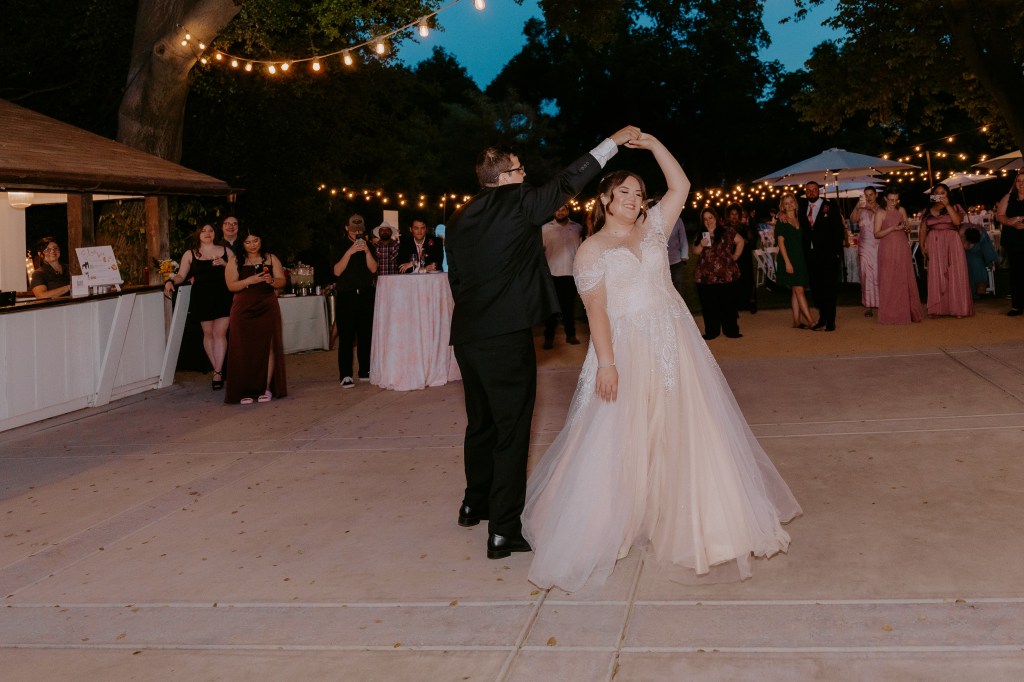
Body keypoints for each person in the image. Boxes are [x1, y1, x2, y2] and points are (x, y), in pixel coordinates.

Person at [522, 134, 800, 592]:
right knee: (620, 435)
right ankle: (611, 522)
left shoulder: (653, 228)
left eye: (638, 193)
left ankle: (692, 519)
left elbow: (682, 184)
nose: (633, 199)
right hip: (623, 348)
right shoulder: (591, 249)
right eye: (624, 192)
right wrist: (607, 364)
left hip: (674, 344)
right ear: (606, 199)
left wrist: (651, 144)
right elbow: (596, 313)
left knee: (683, 428)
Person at [446, 125, 641, 561]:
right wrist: (610, 143)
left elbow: (455, 278)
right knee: (512, 430)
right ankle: (503, 530)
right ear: (504, 176)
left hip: (467, 336)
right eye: (519, 168)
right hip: (504, 336)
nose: (525, 173)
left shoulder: (458, 216)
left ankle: (473, 503)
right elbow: (568, 180)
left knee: (480, 422)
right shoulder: (517, 201)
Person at [163, 223, 234, 389]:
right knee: (208, 334)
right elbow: (181, 275)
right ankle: (218, 367)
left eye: (210, 230)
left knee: (220, 333)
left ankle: (217, 372)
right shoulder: (190, 253)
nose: (208, 233)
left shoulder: (226, 251)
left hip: (223, 295)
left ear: (215, 233)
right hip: (202, 297)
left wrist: (225, 264)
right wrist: (170, 281)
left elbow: (237, 272)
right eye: (204, 230)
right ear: (198, 234)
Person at [224, 229, 287, 404]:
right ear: (242, 243)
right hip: (243, 308)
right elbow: (231, 286)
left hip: (267, 305)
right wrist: (249, 281)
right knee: (243, 348)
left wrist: (272, 281)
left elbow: (282, 280)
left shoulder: (271, 258)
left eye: (256, 240)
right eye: (248, 242)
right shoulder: (235, 260)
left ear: (261, 240)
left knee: (268, 346)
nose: (252, 245)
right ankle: (245, 390)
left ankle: (265, 388)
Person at [334, 214, 377, 388]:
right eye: (353, 230)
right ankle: (345, 374)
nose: (356, 233)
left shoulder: (369, 246)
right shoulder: (338, 246)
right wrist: (350, 251)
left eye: (359, 230)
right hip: (347, 295)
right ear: (346, 228)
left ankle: (365, 369)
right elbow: (337, 271)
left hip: (366, 294)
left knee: (365, 335)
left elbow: (373, 268)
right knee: (346, 337)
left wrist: (366, 251)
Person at [919, 183, 973, 318]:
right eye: (937, 192)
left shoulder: (955, 207)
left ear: (947, 194)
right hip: (934, 242)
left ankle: (958, 308)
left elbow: (956, 222)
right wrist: (922, 245)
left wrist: (948, 205)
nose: (940, 195)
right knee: (936, 273)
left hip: (952, 242)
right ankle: (938, 308)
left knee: (954, 272)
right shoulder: (927, 210)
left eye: (943, 192)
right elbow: (923, 229)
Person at [691, 207, 744, 340]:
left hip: (726, 276)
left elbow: (740, 241)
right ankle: (712, 331)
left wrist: (736, 255)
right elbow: (695, 251)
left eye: (711, 218)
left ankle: (731, 330)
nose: (708, 221)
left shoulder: (727, 231)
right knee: (709, 306)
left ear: (716, 218)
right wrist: (701, 245)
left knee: (728, 304)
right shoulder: (701, 234)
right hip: (705, 277)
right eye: (705, 219)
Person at [800, 181, 844, 331]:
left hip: (828, 255)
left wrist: (838, 252)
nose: (811, 192)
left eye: (814, 189)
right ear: (805, 192)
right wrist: (781, 214)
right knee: (817, 290)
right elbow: (787, 212)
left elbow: (838, 229)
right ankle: (822, 318)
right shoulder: (802, 206)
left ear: (819, 191)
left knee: (829, 289)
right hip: (810, 255)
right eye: (808, 190)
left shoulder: (830, 206)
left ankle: (830, 320)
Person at [873, 189, 922, 325]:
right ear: (885, 199)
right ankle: (890, 314)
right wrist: (892, 228)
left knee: (903, 278)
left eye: (896, 200)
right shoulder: (881, 213)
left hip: (901, 246)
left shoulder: (901, 210)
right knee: (889, 278)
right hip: (887, 247)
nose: (894, 202)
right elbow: (876, 234)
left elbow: (907, 228)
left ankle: (907, 312)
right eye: (891, 200)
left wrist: (906, 228)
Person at [541, 204, 584, 349]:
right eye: (557, 209)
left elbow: (581, 249)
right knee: (552, 310)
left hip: (571, 274)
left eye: (563, 209)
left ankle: (571, 335)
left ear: (568, 211)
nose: (560, 212)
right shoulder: (545, 229)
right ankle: (549, 338)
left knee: (568, 308)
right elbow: (540, 252)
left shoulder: (577, 228)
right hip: (552, 275)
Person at [774, 192, 815, 329]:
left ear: (795, 203)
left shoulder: (799, 218)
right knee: (799, 290)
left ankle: (796, 321)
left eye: (791, 202)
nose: (790, 205)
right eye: (786, 203)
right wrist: (787, 262)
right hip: (789, 259)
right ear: (783, 207)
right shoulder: (782, 221)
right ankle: (811, 322)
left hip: (800, 258)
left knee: (796, 290)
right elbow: (780, 243)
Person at [994, 171, 1024, 316]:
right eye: (1018, 180)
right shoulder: (1008, 197)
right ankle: (1017, 305)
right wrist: (1010, 222)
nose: (1021, 183)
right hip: (1014, 239)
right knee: (1017, 272)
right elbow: (1000, 215)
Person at [850, 187, 882, 316]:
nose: (869, 197)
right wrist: (858, 207)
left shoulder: (881, 208)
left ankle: (881, 302)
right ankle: (868, 305)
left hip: (879, 244)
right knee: (866, 275)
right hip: (864, 246)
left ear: (876, 195)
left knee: (879, 274)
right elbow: (852, 220)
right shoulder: (861, 207)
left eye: (871, 195)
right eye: (866, 195)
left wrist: (872, 209)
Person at [727, 203, 757, 314]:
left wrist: (745, 241)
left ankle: (750, 303)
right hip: (730, 258)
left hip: (745, 258)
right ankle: (735, 304)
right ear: (728, 216)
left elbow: (753, 243)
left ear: (739, 215)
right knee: (732, 281)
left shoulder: (745, 228)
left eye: (736, 214)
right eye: (732, 214)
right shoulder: (724, 228)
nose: (734, 216)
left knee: (747, 280)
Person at [963, 227, 997, 300]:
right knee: (975, 261)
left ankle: (979, 290)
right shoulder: (961, 233)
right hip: (963, 255)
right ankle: (979, 290)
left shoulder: (981, 233)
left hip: (976, 254)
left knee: (976, 261)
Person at [666, 211, 689, 299]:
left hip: (676, 260)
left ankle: (681, 310)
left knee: (679, 287)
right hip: (661, 262)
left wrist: (684, 255)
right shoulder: (655, 221)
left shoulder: (677, 220)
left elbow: (683, 238)